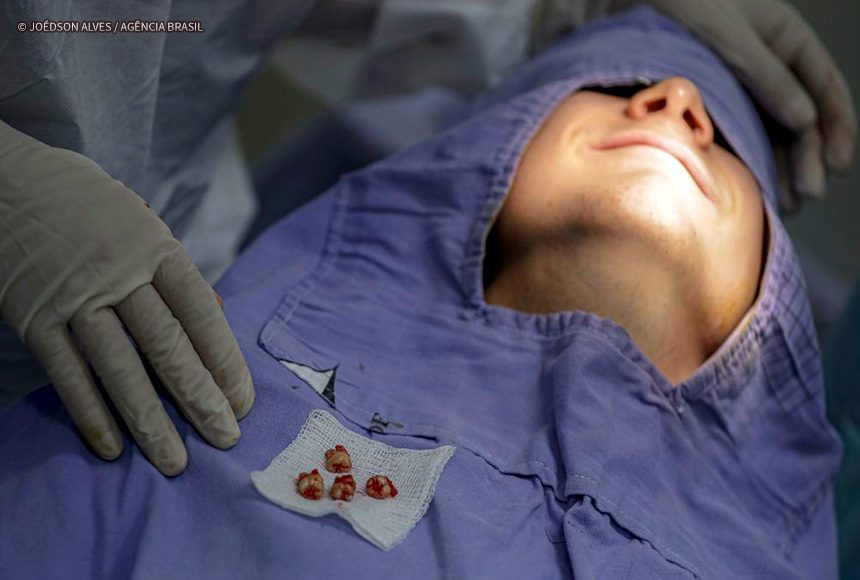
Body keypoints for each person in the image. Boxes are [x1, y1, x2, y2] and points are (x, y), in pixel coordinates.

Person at [0, 7, 842, 578]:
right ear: (472, 173)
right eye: (619, 87)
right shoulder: (173, 405)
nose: (679, 100)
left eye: (725, 141)